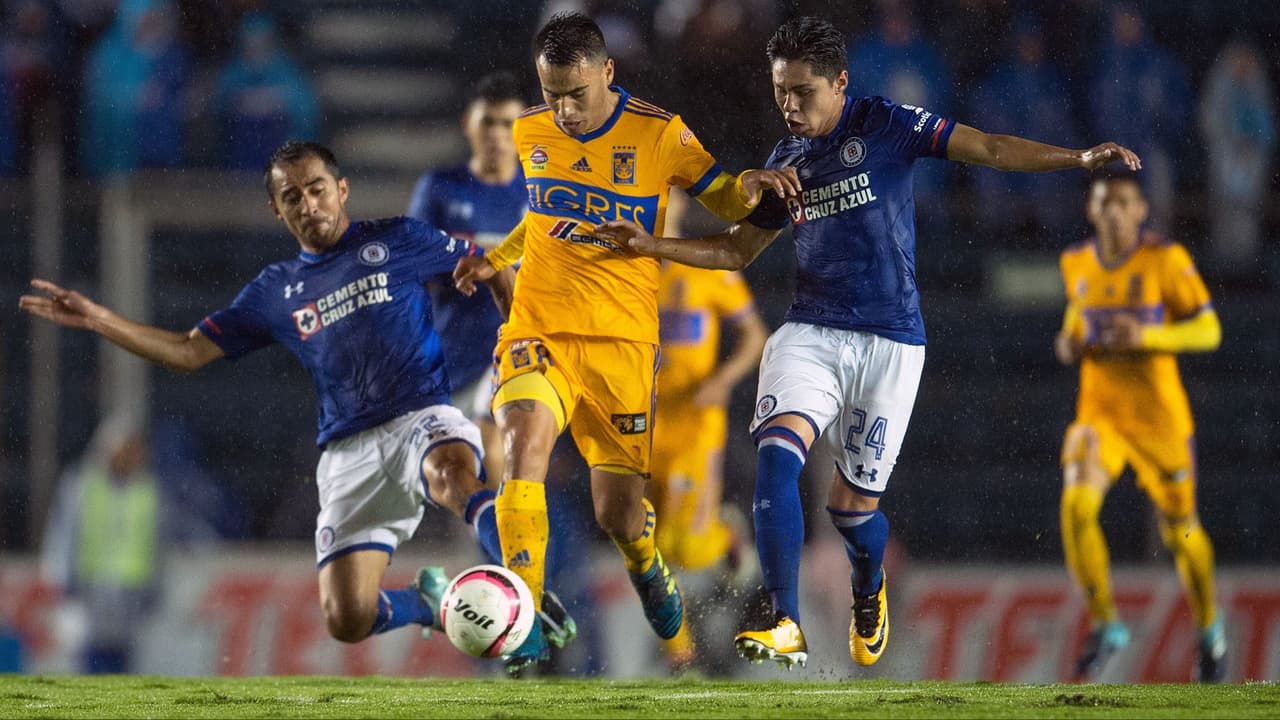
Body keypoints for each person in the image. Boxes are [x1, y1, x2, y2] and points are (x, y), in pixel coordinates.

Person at [596, 15, 1139, 669]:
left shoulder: (888, 124)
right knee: (777, 456)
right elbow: (736, 252)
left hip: (891, 341)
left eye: (803, 91)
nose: (789, 105)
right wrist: (651, 245)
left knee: (853, 513)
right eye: (780, 91)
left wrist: (1076, 159)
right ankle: (785, 619)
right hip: (811, 332)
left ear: (840, 83)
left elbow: (991, 148)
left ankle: (868, 585)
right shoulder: (786, 162)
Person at [18, 140, 573, 655]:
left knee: (453, 476)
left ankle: (527, 592)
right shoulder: (275, 291)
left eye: (316, 188)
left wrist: (517, 343)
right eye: (292, 196)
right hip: (349, 452)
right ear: (277, 211)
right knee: (347, 618)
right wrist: (99, 319)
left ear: (341, 189)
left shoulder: (399, 239)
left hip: (420, 416)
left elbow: (492, 265)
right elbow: (187, 352)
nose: (308, 204)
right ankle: (431, 603)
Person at [451, 11, 798, 671]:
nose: (564, 110)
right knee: (521, 448)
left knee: (620, 517)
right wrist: (497, 260)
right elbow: (545, 217)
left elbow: (726, 200)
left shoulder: (660, 134)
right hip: (540, 328)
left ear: (607, 72)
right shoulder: (531, 130)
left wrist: (751, 188)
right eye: (551, 94)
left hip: (621, 347)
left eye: (576, 94)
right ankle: (524, 617)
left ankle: (648, 572)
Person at [1055, 171, 1226, 683]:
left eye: (1122, 202)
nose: (1113, 211)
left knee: (1182, 533)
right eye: (1104, 202)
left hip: (1159, 421)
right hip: (1100, 416)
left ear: (1141, 210)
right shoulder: (1075, 262)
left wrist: (1149, 335)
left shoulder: (1165, 260)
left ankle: (1210, 628)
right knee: (1077, 507)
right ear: (1090, 210)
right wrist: (1068, 343)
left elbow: (1209, 329)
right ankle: (1106, 623)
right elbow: (1075, 322)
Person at [650, 187, 767, 671]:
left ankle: (725, 537)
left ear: (681, 204)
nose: (658, 206)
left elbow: (754, 334)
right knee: (643, 542)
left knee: (682, 546)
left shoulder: (706, 265)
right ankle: (679, 655)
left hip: (694, 425)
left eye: (666, 197)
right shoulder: (623, 270)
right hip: (638, 426)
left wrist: (722, 380)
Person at [407, 70, 528, 486]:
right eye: (487, 122)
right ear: (468, 124)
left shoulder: (539, 195)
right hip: (452, 350)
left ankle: (509, 530)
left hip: (515, 351)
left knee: (493, 445)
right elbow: (413, 267)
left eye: (508, 124)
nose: (496, 134)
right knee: (455, 474)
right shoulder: (440, 189)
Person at [40, 413, 162, 673]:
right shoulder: (82, 486)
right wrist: (64, 588)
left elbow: (157, 547)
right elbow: (64, 536)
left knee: (123, 675)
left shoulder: (147, 491)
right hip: (89, 595)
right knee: (87, 670)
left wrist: (154, 594)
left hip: (130, 599)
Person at [1197, 38, 1276, 272]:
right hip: (1226, 156)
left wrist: (1251, 143)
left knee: (1247, 210)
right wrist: (1230, 141)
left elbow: (1266, 128)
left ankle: (1245, 259)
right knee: (1225, 207)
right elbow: (1210, 121)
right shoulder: (1220, 88)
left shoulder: (1257, 90)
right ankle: (1224, 257)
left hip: (1251, 160)